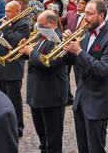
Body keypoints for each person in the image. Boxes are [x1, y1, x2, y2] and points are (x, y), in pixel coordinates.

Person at [62, 0, 108, 153]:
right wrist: (66, 46)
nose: (85, 17)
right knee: (83, 148)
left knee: (95, 149)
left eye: (89, 14)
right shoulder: (85, 34)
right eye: (84, 13)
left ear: (101, 15)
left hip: (98, 103)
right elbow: (71, 61)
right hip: (81, 101)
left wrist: (79, 51)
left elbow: (103, 70)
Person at [19, 10, 67, 153]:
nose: (37, 28)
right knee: (43, 138)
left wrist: (31, 52)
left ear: (52, 23)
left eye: (41, 25)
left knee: (53, 138)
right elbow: (36, 58)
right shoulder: (42, 37)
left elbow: (50, 63)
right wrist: (23, 51)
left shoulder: (60, 39)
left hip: (52, 95)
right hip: (37, 94)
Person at [0, 0, 30, 138]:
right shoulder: (8, 23)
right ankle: (6, 123)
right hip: (2, 65)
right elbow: (0, 41)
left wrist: (3, 28)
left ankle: (18, 126)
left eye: (8, 11)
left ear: (17, 11)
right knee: (3, 98)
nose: (5, 14)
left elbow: (15, 41)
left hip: (13, 66)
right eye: (5, 11)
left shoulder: (24, 24)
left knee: (14, 99)